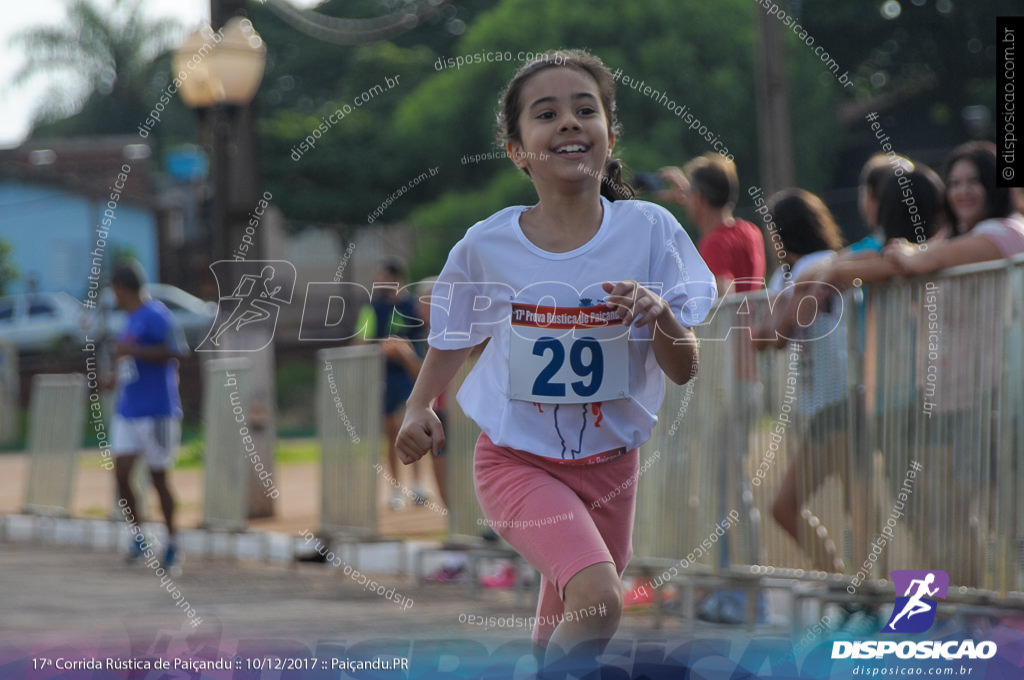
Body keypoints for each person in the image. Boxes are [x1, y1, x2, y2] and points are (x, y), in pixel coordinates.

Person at [395, 49, 715, 670]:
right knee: (599, 600)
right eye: (547, 114)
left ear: (609, 135)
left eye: (584, 109)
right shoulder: (489, 243)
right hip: (516, 462)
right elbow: (454, 336)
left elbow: (684, 368)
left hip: (612, 467)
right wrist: (417, 406)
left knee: (571, 630)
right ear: (518, 150)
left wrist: (662, 315)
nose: (569, 122)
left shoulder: (650, 231)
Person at [754, 189, 848, 575]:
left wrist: (769, 321)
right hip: (828, 407)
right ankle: (846, 587)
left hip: (844, 402)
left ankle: (857, 593)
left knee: (860, 507)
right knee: (794, 506)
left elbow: (772, 334)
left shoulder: (821, 264)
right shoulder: (795, 273)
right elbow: (769, 335)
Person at [109, 264, 188, 567]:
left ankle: (172, 542)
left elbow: (177, 351)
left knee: (158, 478)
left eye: (114, 288)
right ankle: (139, 536)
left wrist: (134, 351)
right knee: (121, 474)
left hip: (156, 411)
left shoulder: (157, 314)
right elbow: (128, 360)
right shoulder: (129, 319)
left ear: (122, 287)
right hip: (128, 410)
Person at [357, 257, 430, 510]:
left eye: (384, 277)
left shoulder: (414, 306)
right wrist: (384, 349)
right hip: (386, 376)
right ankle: (396, 488)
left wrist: (407, 352)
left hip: (412, 374)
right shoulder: (372, 308)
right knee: (391, 431)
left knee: (413, 428)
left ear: (396, 278)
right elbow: (360, 342)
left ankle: (419, 485)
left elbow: (429, 336)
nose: (379, 282)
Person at [658, 153, 766, 295]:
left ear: (698, 198)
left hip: (727, 318)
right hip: (749, 317)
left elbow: (722, 297)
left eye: (689, 193)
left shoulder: (715, 243)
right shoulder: (751, 231)